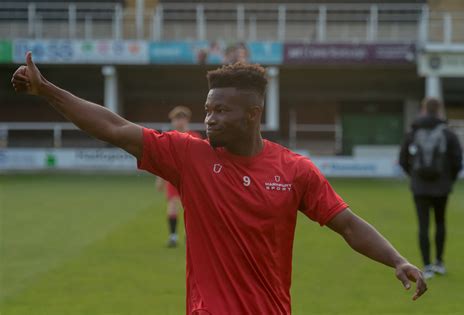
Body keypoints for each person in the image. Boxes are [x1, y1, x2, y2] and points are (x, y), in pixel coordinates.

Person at [12, 52, 427, 315]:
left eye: (220, 111)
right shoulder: (188, 155)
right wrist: (46, 90)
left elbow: (348, 224)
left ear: (252, 115)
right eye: (207, 110)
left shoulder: (295, 170)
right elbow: (115, 128)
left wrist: (396, 259)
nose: (208, 118)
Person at [399, 97, 463, 279]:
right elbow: (458, 160)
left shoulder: (413, 132)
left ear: (423, 109)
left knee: (423, 225)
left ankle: (426, 266)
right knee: (441, 222)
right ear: (439, 109)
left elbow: (403, 159)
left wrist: (414, 176)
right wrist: (449, 179)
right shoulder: (447, 133)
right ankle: (439, 262)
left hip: (420, 187)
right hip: (442, 186)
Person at [156, 106, 202, 247]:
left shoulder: (195, 137)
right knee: (173, 206)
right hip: (174, 178)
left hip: (191, 180)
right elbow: (164, 161)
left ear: (187, 120)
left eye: (181, 118)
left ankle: (190, 235)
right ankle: (173, 237)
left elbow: (201, 159)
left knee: (192, 209)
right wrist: (160, 178)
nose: (179, 122)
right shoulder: (168, 137)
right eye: (176, 119)